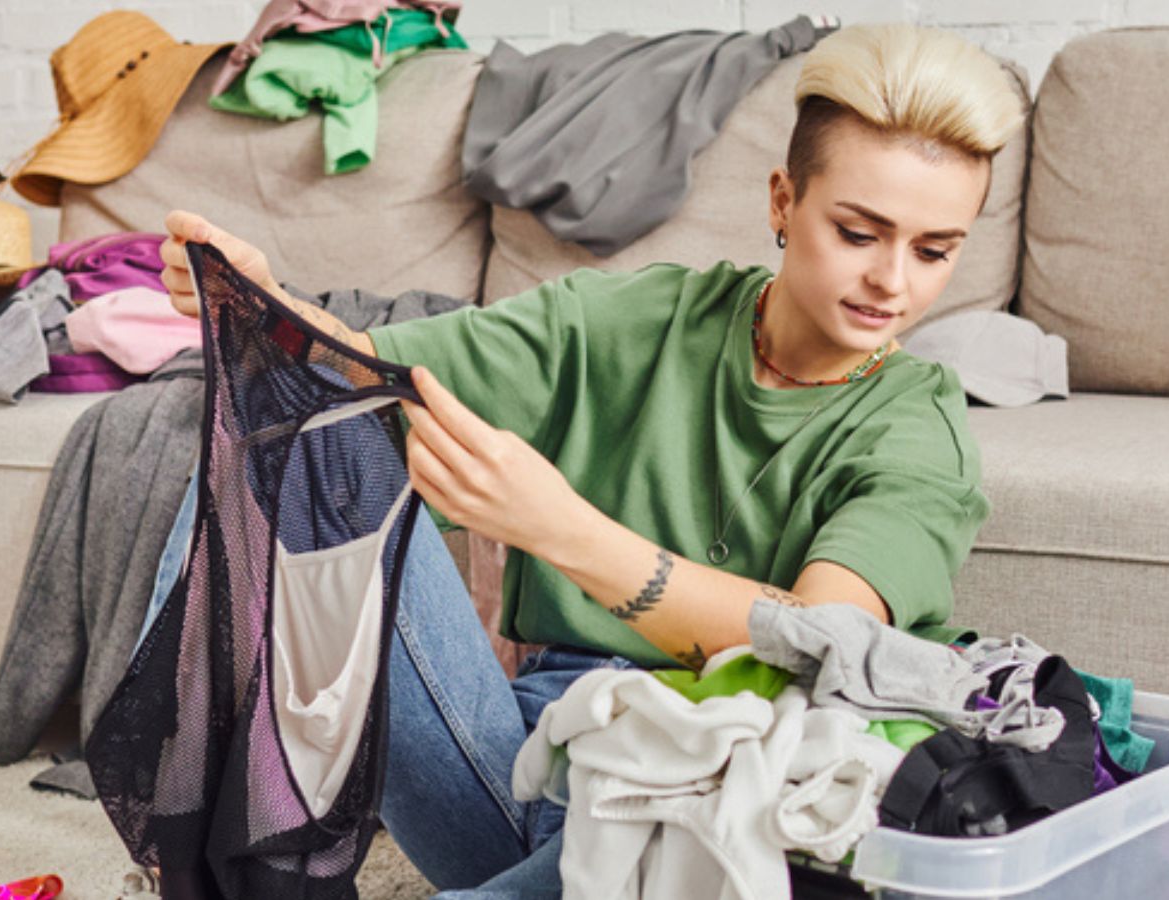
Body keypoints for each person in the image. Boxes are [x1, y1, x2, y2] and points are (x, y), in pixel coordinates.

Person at [157, 22, 1023, 898]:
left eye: (934, 250)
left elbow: (821, 644)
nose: (893, 282)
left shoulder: (920, 427)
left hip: (713, 799)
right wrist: (266, 307)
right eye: (859, 232)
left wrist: (562, 530)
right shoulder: (637, 316)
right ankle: (215, 844)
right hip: (523, 763)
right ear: (781, 202)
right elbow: (370, 375)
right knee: (301, 446)